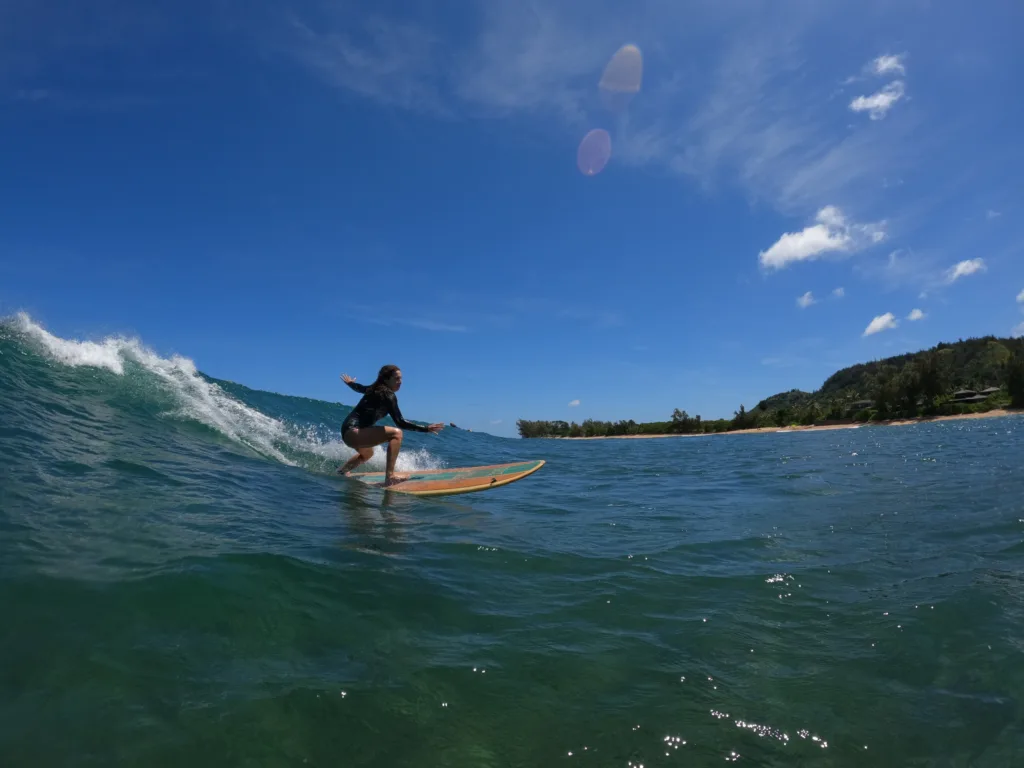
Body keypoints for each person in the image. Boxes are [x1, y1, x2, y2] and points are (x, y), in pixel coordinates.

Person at [337, 364, 444, 486]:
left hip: (347, 431)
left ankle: (341, 471)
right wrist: (426, 429)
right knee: (397, 434)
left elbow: (359, 388)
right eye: (397, 378)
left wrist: (350, 383)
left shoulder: (374, 389)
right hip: (354, 432)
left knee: (367, 454)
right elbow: (400, 422)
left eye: (401, 378)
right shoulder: (388, 395)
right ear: (386, 379)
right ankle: (390, 477)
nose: (400, 382)